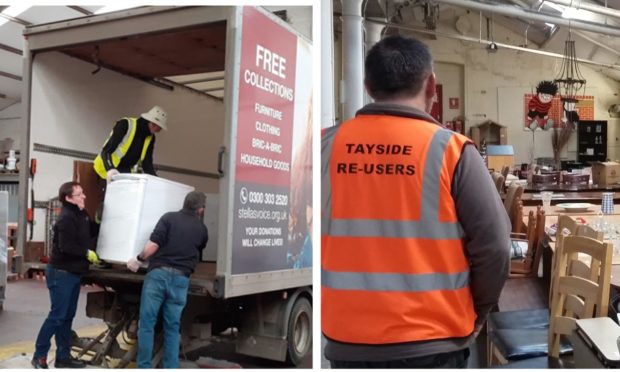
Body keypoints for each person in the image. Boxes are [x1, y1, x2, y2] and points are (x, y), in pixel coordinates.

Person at [321, 35, 511, 368]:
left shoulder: (324, 147)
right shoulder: (452, 152)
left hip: (347, 343)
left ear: (367, 85)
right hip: (435, 343)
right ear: (431, 85)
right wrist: (478, 310)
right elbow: (495, 246)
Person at [126, 191, 208, 368]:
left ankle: (144, 367)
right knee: (172, 327)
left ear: (184, 203)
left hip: (158, 276)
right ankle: (171, 367)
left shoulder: (168, 218)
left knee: (147, 324)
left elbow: (153, 245)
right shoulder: (201, 229)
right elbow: (200, 247)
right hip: (180, 280)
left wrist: (138, 259)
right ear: (200, 210)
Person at [32, 182, 101, 369]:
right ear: (68, 198)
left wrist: (102, 220)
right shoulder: (66, 218)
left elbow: (92, 230)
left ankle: (63, 357)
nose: (84, 196)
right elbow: (66, 246)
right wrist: (86, 253)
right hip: (61, 273)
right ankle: (39, 355)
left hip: (73, 273)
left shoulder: (81, 214)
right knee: (57, 316)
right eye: (79, 194)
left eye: (83, 193)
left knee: (67, 316)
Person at [93, 105, 168, 183]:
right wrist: (110, 169)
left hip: (124, 173)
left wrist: (156, 180)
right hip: (105, 170)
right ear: (153, 123)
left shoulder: (150, 138)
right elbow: (106, 151)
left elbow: (147, 163)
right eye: (160, 128)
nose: (159, 131)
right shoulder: (125, 124)